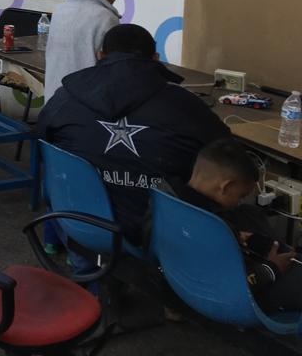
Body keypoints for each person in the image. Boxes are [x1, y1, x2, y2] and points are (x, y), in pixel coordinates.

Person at [34, 23, 230, 245]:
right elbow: (225, 152)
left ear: (100, 55)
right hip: (160, 234)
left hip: (76, 218)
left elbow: (41, 145)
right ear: (155, 58)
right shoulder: (187, 106)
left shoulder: (65, 97)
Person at [161, 139, 300, 312]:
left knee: (248, 212)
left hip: (174, 276)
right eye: (241, 195)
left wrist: (231, 237)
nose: (238, 202)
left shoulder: (166, 195)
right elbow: (232, 287)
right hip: (220, 297)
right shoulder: (215, 229)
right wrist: (271, 269)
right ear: (225, 186)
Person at [44, 0, 125, 102]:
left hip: (54, 99)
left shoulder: (61, 9)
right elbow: (112, 68)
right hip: (85, 105)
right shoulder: (106, 18)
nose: (114, 0)